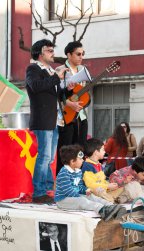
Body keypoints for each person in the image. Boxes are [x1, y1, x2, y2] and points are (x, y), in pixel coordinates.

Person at [26, 39, 71, 203]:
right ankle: (39, 192)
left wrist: (67, 89)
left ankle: (47, 190)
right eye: (49, 50)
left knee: (50, 158)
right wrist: (56, 78)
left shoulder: (51, 71)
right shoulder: (33, 68)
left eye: (53, 50)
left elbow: (57, 94)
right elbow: (35, 86)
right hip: (43, 118)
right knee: (44, 156)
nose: (52, 53)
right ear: (40, 53)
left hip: (54, 119)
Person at [54, 145, 126, 221]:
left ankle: (111, 206)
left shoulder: (78, 171)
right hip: (63, 200)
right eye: (80, 159)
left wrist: (86, 190)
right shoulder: (64, 173)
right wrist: (81, 196)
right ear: (72, 161)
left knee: (91, 196)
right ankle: (103, 210)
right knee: (83, 200)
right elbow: (68, 191)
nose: (83, 161)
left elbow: (80, 186)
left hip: (74, 196)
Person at [56, 41, 88, 175]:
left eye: (83, 54)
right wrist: (69, 103)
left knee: (80, 150)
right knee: (66, 150)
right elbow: (57, 93)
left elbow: (84, 94)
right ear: (69, 55)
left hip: (81, 115)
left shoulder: (83, 71)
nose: (81, 57)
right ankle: (62, 180)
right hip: (66, 116)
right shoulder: (60, 70)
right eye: (78, 54)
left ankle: (77, 179)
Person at [81, 138, 127, 203]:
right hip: (93, 192)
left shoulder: (98, 165)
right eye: (103, 149)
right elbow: (90, 185)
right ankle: (112, 200)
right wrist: (107, 186)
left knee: (122, 186)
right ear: (96, 152)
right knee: (99, 191)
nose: (105, 152)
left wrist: (110, 185)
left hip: (104, 191)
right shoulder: (88, 166)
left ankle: (111, 199)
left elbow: (102, 181)